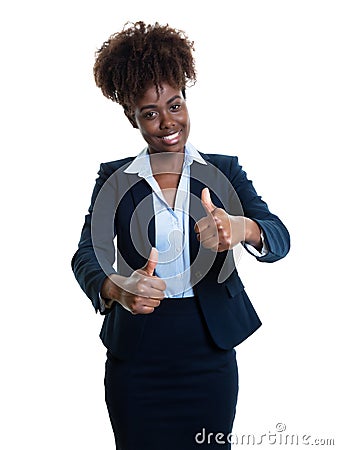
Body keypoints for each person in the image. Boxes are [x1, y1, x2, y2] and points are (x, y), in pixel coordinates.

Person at [71, 21, 290, 450]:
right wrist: (119, 288)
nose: (167, 122)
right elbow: (85, 256)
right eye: (150, 113)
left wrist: (240, 228)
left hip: (208, 349)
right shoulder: (114, 180)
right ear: (132, 117)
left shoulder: (223, 171)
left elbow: (279, 236)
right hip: (137, 352)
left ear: (186, 101)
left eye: (175, 105)